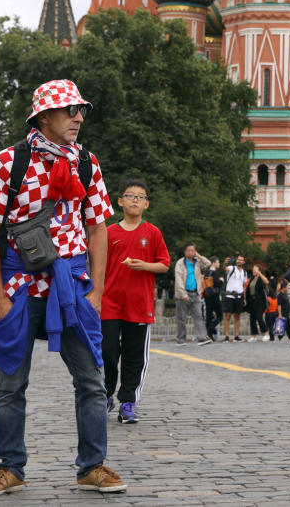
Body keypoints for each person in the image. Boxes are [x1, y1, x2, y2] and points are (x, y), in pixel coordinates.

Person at [0, 79, 125, 496]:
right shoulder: (9, 162)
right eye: (68, 110)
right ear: (43, 117)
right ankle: (9, 467)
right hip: (19, 284)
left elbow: (98, 229)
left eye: (81, 110)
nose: (78, 117)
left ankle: (92, 466)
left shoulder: (87, 163)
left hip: (72, 285)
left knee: (91, 380)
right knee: (11, 384)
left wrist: (94, 291)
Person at [101, 180, 170, 425]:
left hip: (139, 305)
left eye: (140, 197)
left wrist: (144, 266)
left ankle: (128, 402)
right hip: (109, 302)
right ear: (120, 201)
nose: (135, 200)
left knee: (134, 356)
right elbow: (97, 267)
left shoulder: (152, 232)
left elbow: (164, 263)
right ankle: (106, 393)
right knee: (107, 351)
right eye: (130, 196)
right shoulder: (108, 232)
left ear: (146, 204)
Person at [174, 242, 211, 345]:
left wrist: (199, 256)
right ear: (185, 251)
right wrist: (183, 294)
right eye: (188, 250)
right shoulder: (180, 263)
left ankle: (202, 338)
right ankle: (180, 340)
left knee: (198, 316)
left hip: (196, 293)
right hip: (183, 294)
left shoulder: (197, 262)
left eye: (193, 250)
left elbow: (208, 263)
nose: (191, 252)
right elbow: (179, 280)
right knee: (181, 318)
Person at [222, 255, 248, 342]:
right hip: (229, 295)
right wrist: (225, 263)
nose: (239, 261)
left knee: (237, 316)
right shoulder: (231, 268)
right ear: (236, 261)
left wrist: (244, 298)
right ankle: (226, 336)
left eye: (241, 260)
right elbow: (225, 269)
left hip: (239, 296)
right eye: (238, 260)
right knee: (228, 316)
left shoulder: (244, 272)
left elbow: (244, 286)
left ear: (244, 262)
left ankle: (236, 336)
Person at [203, 257, 224, 341]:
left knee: (209, 316)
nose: (219, 264)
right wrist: (221, 280)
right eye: (218, 262)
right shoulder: (215, 273)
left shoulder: (206, 272)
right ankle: (209, 330)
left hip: (207, 296)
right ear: (213, 263)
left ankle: (209, 335)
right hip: (214, 296)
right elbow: (217, 283)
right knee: (220, 316)